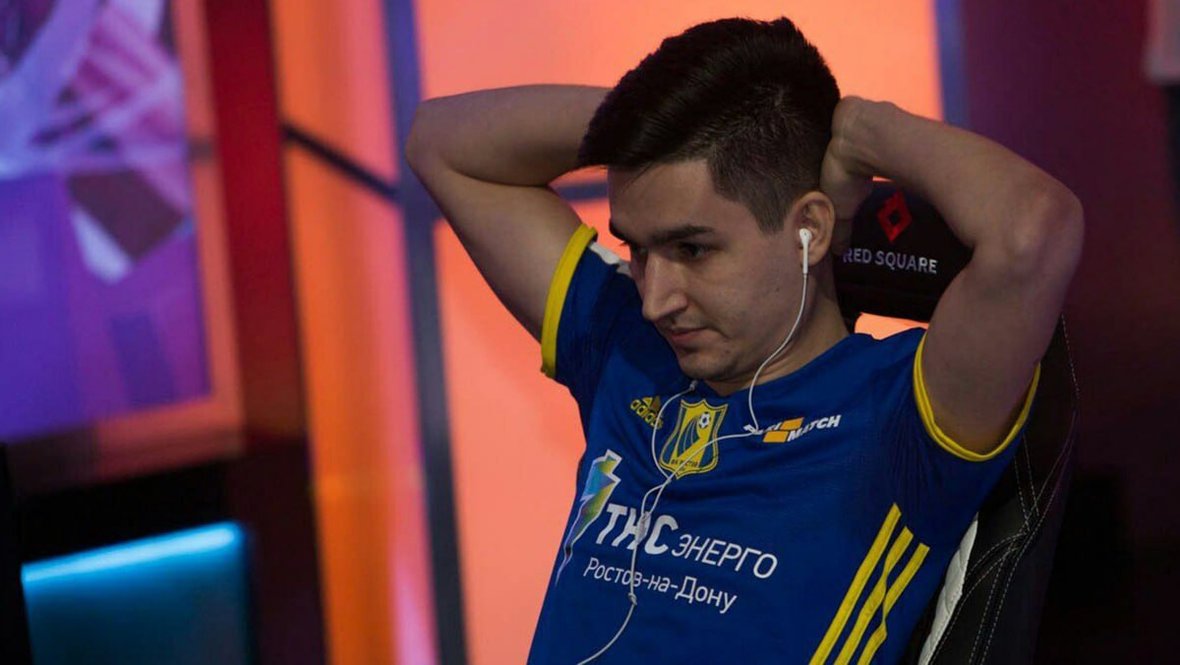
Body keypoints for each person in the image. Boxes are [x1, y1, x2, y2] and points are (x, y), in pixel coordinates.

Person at [406, 16, 1082, 665]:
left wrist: (866, 128)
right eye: (637, 250)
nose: (655, 299)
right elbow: (439, 141)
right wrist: (658, 119)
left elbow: (1032, 230)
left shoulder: (902, 415)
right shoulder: (628, 349)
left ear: (810, 228)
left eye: (692, 249)